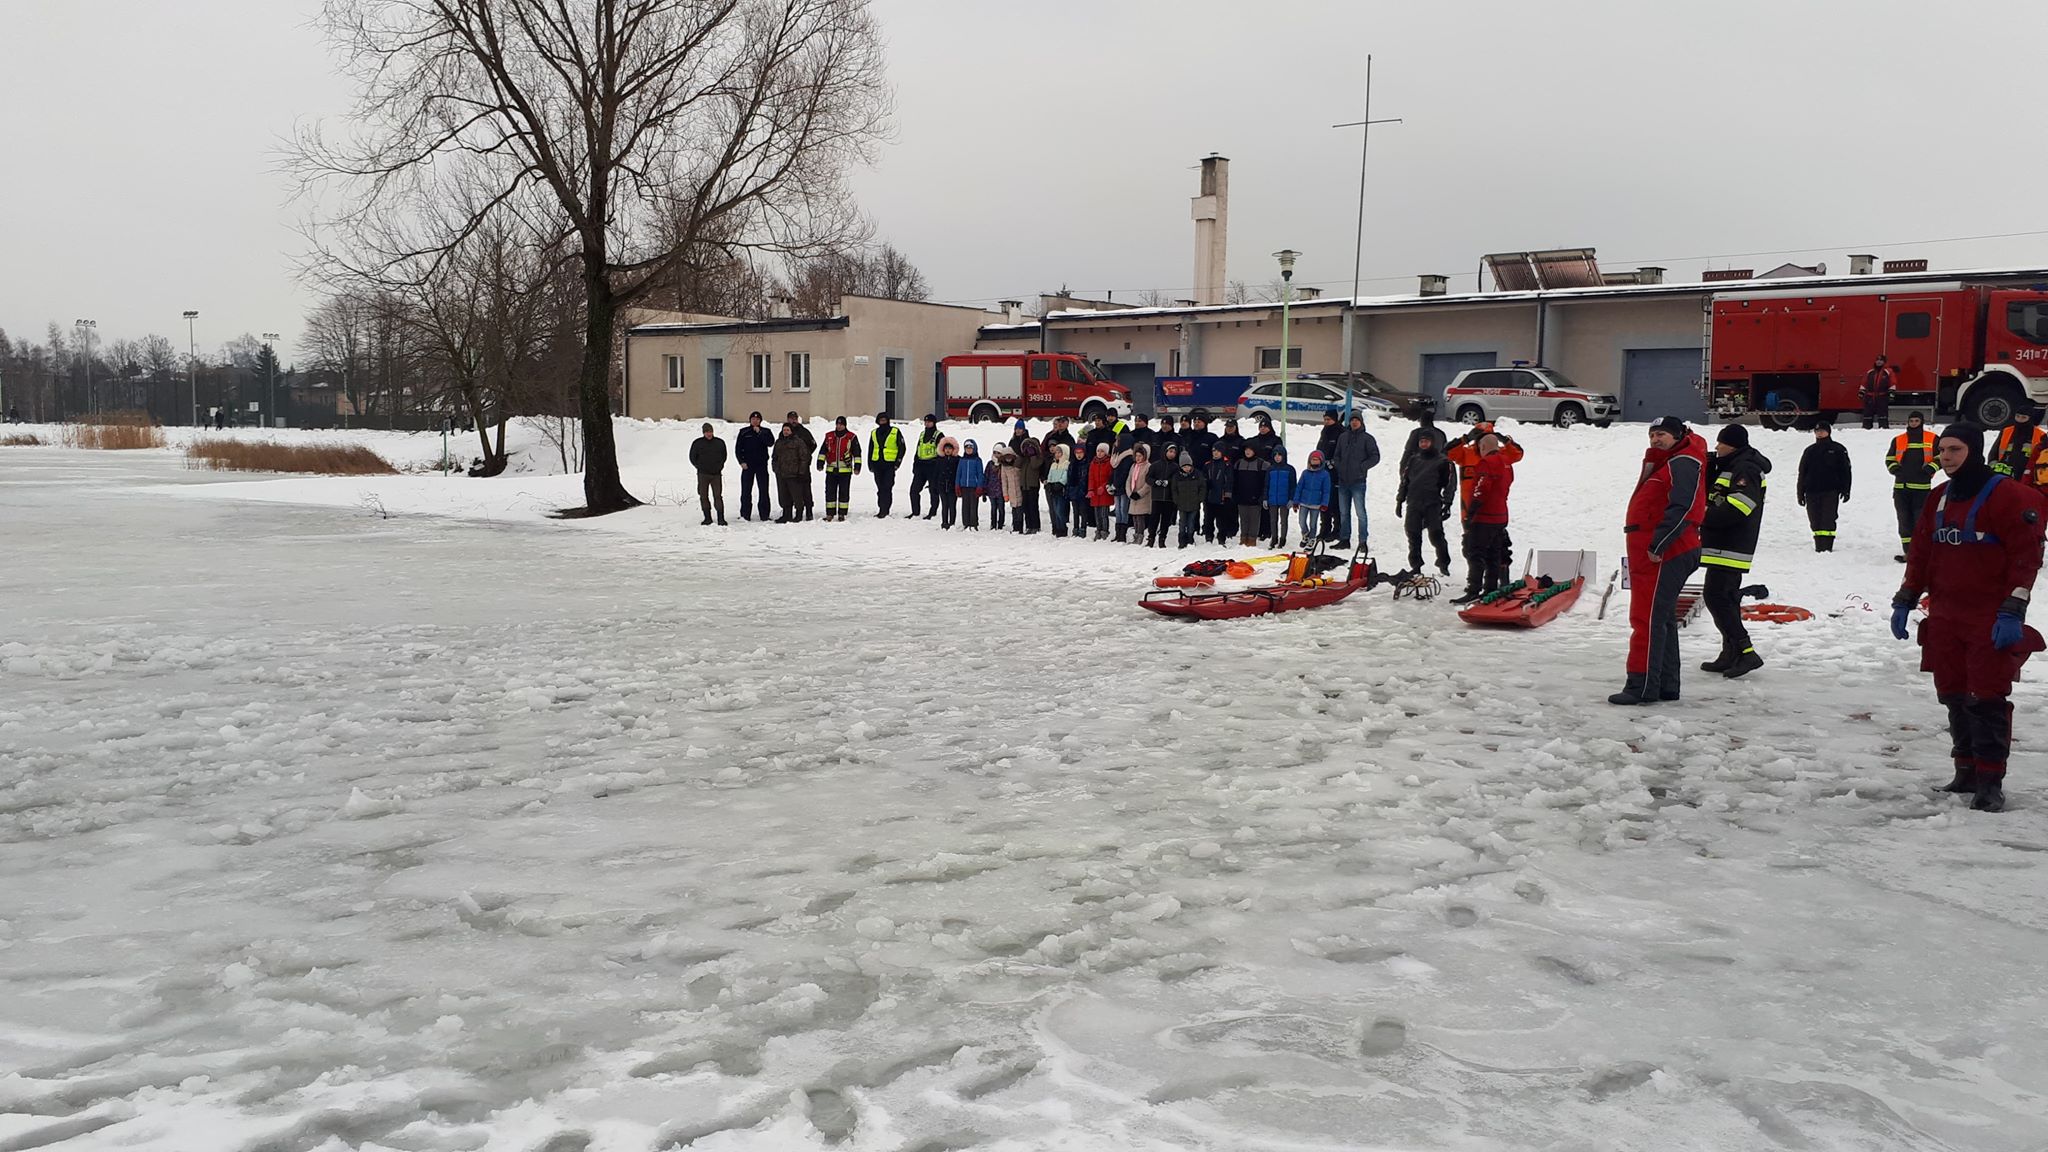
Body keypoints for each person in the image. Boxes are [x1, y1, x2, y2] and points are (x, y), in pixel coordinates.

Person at [1890, 422, 2048, 812]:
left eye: (1955, 450)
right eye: (1942, 450)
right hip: (1945, 615)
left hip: (1988, 617)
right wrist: (1906, 597)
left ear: (1974, 451)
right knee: (1954, 695)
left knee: (1987, 698)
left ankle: (1990, 781)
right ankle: (1965, 770)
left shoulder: (2011, 497)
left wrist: (2013, 608)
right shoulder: (1939, 497)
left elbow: (2025, 559)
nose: (1945, 457)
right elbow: (1923, 552)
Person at [1611, 416, 1707, 705]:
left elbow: (1685, 505)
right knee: (1660, 619)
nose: (1655, 439)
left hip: (1665, 552)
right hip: (1657, 551)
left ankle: (1640, 687)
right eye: (1652, 434)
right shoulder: (1670, 461)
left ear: (1677, 436)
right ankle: (1665, 684)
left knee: (1647, 619)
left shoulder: (1683, 461)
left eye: (1662, 434)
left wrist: (1659, 544)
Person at [1699, 425, 1772, 678]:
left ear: (1733, 444)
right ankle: (1730, 652)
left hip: (1731, 545)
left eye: (1721, 443)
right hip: (1721, 543)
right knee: (1718, 598)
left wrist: (1703, 517)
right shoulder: (1731, 464)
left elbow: (1741, 505)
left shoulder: (1745, 468)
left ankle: (1746, 651)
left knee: (1719, 598)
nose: (1716, 447)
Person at [1445, 421, 1526, 597]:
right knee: (1482, 551)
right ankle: (1488, 587)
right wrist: (1464, 439)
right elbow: (1447, 452)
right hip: (1484, 511)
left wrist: (1505, 440)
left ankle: (1478, 588)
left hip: (1480, 512)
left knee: (1482, 551)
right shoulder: (1466, 454)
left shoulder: (1494, 458)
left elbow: (1518, 454)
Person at [1455, 433, 1515, 600]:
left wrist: (1471, 513)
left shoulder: (1486, 463)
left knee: (1475, 553)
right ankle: (1490, 588)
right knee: (1493, 555)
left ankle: (1473, 590)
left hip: (1484, 517)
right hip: (1501, 516)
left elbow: (1481, 490)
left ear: (1482, 447)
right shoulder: (1506, 463)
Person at [1396, 425, 1455, 575]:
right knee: (1413, 534)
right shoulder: (1413, 460)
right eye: (1421, 441)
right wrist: (1400, 500)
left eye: (1426, 441)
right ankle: (1416, 565)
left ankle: (1443, 563)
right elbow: (1405, 481)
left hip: (1433, 502)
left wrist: (1447, 503)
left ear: (1433, 443)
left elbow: (1450, 484)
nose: (1423, 444)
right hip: (1414, 502)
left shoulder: (1443, 461)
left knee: (1436, 534)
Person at [1887, 412, 1937, 561]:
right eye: (1911, 420)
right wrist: (1894, 469)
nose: (1914, 423)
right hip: (1901, 488)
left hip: (1921, 488)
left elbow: (1941, 456)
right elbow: (1889, 458)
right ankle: (1909, 553)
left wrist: (1931, 468)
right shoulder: (1898, 440)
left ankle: (1921, 553)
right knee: (1904, 521)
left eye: (1917, 420)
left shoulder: (1932, 438)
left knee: (1920, 522)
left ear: (1921, 422)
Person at [1796, 422, 1852, 552]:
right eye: (1817, 431)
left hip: (1831, 490)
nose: (1820, 433)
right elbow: (1802, 473)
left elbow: (1846, 471)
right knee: (1814, 519)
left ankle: (1827, 546)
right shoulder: (1810, 451)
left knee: (1828, 518)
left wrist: (1846, 489)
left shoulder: (1838, 449)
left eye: (1822, 431)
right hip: (1811, 491)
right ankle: (1819, 545)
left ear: (1828, 432)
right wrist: (1800, 493)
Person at [1330, 412, 1380, 549]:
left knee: (1360, 513)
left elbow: (1375, 456)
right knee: (1344, 513)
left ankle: (1362, 541)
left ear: (1361, 422)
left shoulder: (1367, 439)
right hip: (1343, 481)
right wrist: (1338, 466)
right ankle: (1344, 539)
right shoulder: (1343, 437)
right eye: (1352, 420)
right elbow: (1337, 455)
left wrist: (1362, 467)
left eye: (1357, 420)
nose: (1354, 422)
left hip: (1358, 481)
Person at [816, 415, 862, 522]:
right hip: (831, 470)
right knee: (829, 492)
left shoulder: (851, 437)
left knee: (844, 493)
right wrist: (820, 462)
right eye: (837, 424)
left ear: (845, 425)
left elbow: (857, 453)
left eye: (841, 424)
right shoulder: (829, 436)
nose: (839, 426)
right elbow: (823, 451)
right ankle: (830, 514)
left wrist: (857, 466)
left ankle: (842, 514)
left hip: (845, 471)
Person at [1990, 405, 2048, 488]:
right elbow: (1993, 453)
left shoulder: (2041, 435)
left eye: (2023, 417)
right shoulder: (2006, 431)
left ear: (2030, 418)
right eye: (2017, 416)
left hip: (2027, 476)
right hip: (2003, 474)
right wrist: (1994, 468)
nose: (2019, 420)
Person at [771, 416, 815, 523]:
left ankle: (799, 514)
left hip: (794, 474)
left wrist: (801, 471)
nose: (786, 432)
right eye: (784, 430)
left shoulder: (798, 441)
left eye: (788, 430)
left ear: (791, 431)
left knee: (797, 495)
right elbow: (774, 457)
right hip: (782, 474)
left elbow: (804, 457)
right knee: (784, 496)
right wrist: (776, 468)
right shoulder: (779, 442)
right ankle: (786, 515)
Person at [735, 411, 775, 521]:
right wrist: (741, 462)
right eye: (753, 419)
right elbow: (738, 448)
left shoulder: (766, 431)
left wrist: (760, 433)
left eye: (757, 419)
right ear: (750, 420)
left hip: (761, 465)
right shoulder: (744, 432)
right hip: (748, 466)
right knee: (746, 491)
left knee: (763, 490)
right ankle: (745, 514)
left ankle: (764, 515)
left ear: (760, 421)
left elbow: (771, 443)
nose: (755, 421)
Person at [687, 422, 728, 526]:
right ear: (703, 433)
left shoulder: (719, 443)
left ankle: (721, 518)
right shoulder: (697, 443)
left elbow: (724, 456)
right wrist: (699, 466)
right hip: (703, 474)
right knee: (703, 496)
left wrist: (719, 466)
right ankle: (707, 518)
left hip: (716, 474)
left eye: (710, 431)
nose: (709, 434)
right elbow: (692, 457)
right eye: (706, 432)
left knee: (718, 496)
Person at [1010, 420, 1044, 534]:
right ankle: (1029, 525)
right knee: (1026, 506)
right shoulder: (1024, 458)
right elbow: (1016, 465)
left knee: (1033, 506)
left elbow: (1035, 466)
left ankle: (1035, 525)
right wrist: (1022, 454)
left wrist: (1033, 455)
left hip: (1033, 484)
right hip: (1023, 485)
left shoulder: (1038, 458)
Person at [868, 412, 905, 517]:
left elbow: (902, 448)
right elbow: (871, 449)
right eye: (881, 420)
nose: (883, 422)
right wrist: (870, 463)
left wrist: (898, 462)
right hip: (877, 464)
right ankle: (881, 508)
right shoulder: (874, 433)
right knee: (880, 488)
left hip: (890, 465)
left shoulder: (895, 431)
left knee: (887, 487)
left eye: (884, 420)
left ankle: (885, 509)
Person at [1295, 450, 1333, 547]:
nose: (1315, 462)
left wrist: (1324, 503)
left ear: (1321, 461)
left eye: (1317, 460)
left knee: (1313, 523)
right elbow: (1299, 487)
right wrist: (1296, 501)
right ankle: (1305, 534)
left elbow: (1326, 491)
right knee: (1301, 521)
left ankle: (1312, 538)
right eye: (1313, 460)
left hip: (1316, 504)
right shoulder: (1305, 473)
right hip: (1304, 502)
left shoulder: (1325, 475)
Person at [908, 413, 942, 518]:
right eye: (926, 422)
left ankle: (932, 512)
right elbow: (918, 449)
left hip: (933, 466)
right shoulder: (922, 434)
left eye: (929, 422)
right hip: (920, 466)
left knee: (933, 491)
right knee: (914, 490)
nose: (927, 424)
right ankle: (915, 512)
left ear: (934, 423)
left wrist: (939, 467)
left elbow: (942, 452)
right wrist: (915, 464)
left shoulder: (939, 435)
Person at [1233, 444, 1268, 547]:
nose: (1247, 452)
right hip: (1242, 497)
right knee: (1243, 519)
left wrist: (1262, 496)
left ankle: (1252, 538)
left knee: (1254, 520)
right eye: (1246, 450)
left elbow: (1264, 482)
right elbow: (1235, 481)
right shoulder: (1239, 463)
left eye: (1250, 450)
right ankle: (1243, 537)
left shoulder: (1261, 464)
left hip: (1255, 498)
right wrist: (1235, 495)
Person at [1147, 443, 1181, 547]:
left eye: (1174, 452)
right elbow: (1148, 477)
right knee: (1154, 518)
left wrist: (1168, 482)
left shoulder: (1175, 467)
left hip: (1169, 498)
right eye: (1170, 451)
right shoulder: (1155, 465)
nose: (1172, 454)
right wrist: (1155, 482)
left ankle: (1162, 539)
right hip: (1156, 497)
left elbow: (1177, 479)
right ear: (1164, 452)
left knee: (1166, 520)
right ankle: (1151, 538)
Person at [1171, 455, 1207, 548]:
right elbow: (1174, 489)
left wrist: (1200, 498)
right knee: (1182, 522)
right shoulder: (1177, 476)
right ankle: (1182, 539)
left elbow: (1202, 487)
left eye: (1188, 466)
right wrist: (1176, 500)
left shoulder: (1197, 474)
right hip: (1182, 503)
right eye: (1184, 466)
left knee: (1191, 522)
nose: (1187, 468)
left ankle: (1190, 538)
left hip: (1194, 503)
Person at [1265, 445, 1297, 548]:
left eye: (1279, 455)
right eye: (1275, 455)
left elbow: (1293, 486)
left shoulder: (1290, 469)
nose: (1277, 457)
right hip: (1272, 499)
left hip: (1285, 500)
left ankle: (1283, 538)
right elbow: (1266, 485)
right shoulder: (1270, 469)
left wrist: (1292, 499)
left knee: (1284, 521)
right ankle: (1274, 537)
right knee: (1273, 520)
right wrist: (1265, 498)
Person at [1204, 445, 1237, 544]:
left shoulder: (1227, 465)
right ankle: (1208, 537)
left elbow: (1230, 480)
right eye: (1214, 451)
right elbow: (1203, 478)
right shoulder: (1208, 464)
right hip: (1210, 496)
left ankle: (1221, 538)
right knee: (1208, 519)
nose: (1215, 453)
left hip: (1221, 497)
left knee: (1222, 520)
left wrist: (1227, 495)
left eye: (1218, 451)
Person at [1125, 444, 1155, 545]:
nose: (1138, 458)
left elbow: (1148, 483)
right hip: (1133, 495)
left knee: (1140, 516)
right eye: (1136, 456)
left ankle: (1140, 535)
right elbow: (1129, 480)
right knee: (1134, 517)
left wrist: (1139, 493)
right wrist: (1130, 493)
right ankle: (1136, 535)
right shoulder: (1133, 466)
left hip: (1142, 496)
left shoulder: (1148, 466)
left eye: (1140, 456)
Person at [1043, 442, 1075, 538]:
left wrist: (1060, 483)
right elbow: (1050, 475)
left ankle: (1063, 528)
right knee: (1054, 510)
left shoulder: (1066, 464)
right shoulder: (1053, 465)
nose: (1056, 454)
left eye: (1059, 452)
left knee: (1060, 510)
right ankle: (1057, 528)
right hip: (1053, 489)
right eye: (1056, 452)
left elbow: (1065, 476)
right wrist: (1049, 483)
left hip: (1061, 490)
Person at [1086, 442, 1115, 540]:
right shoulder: (1093, 462)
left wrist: (1103, 486)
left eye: (1102, 451)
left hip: (1104, 492)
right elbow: (1091, 477)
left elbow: (1110, 477)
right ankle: (1098, 530)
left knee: (1104, 514)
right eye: (1098, 451)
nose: (1099, 453)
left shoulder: (1109, 462)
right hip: (1095, 492)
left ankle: (1104, 531)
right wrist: (1090, 489)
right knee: (1097, 514)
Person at [956, 439, 985, 530]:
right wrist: (957, 485)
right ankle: (966, 523)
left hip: (974, 487)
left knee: (973, 506)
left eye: (970, 448)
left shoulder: (977, 460)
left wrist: (980, 486)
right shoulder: (962, 460)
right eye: (966, 448)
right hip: (964, 486)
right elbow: (958, 473)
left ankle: (974, 523)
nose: (968, 450)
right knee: (965, 506)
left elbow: (980, 474)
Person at [1860, 354, 1895, 430]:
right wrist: (1861, 391)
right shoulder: (1870, 371)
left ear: (1884, 362)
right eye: (1877, 360)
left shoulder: (1888, 371)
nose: (1879, 362)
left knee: (1882, 416)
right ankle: (1865, 430)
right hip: (1870, 396)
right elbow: (1864, 382)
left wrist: (1891, 393)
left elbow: (1892, 382)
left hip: (1882, 396)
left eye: (1881, 360)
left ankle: (1883, 430)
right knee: (1867, 416)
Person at [933, 437, 961, 529]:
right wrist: (935, 486)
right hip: (942, 486)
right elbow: (936, 473)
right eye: (946, 449)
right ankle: (944, 522)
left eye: (949, 449)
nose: (948, 450)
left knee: (952, 505)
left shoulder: (957, 460)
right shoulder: (939, 460)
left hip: (952, 487)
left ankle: (952, 523)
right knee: (944, 505)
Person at [984, 443, 1009, 530]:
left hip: (1001, 491)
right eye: (995, 453)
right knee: (993, 508)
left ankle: (1001, 524)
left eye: (999, 453)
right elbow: (986, 476)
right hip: (991, 490)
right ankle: (993, 524)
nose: (997, 455)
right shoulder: (990, 464)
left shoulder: (1004, 464)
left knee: (1001, 508)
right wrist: (984, 490)